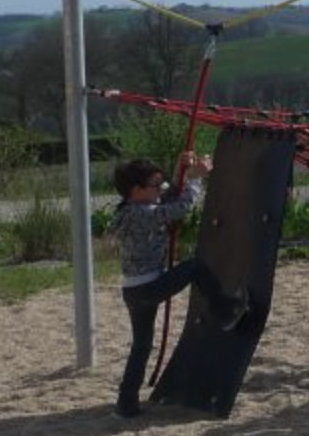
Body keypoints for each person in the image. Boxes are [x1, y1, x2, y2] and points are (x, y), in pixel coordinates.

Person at [106, 152, 249, 419]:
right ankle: (226, 310)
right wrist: (195, 180)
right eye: (155, 185)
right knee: (196, 267)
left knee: (141, 345)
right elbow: (180, 207)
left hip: (133, 290)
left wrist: (178, 172)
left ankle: (126, 402)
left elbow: (165, 199)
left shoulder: (129, 210)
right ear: (136, 191)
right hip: (149, 286)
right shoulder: (142, 214)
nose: (160, 190)